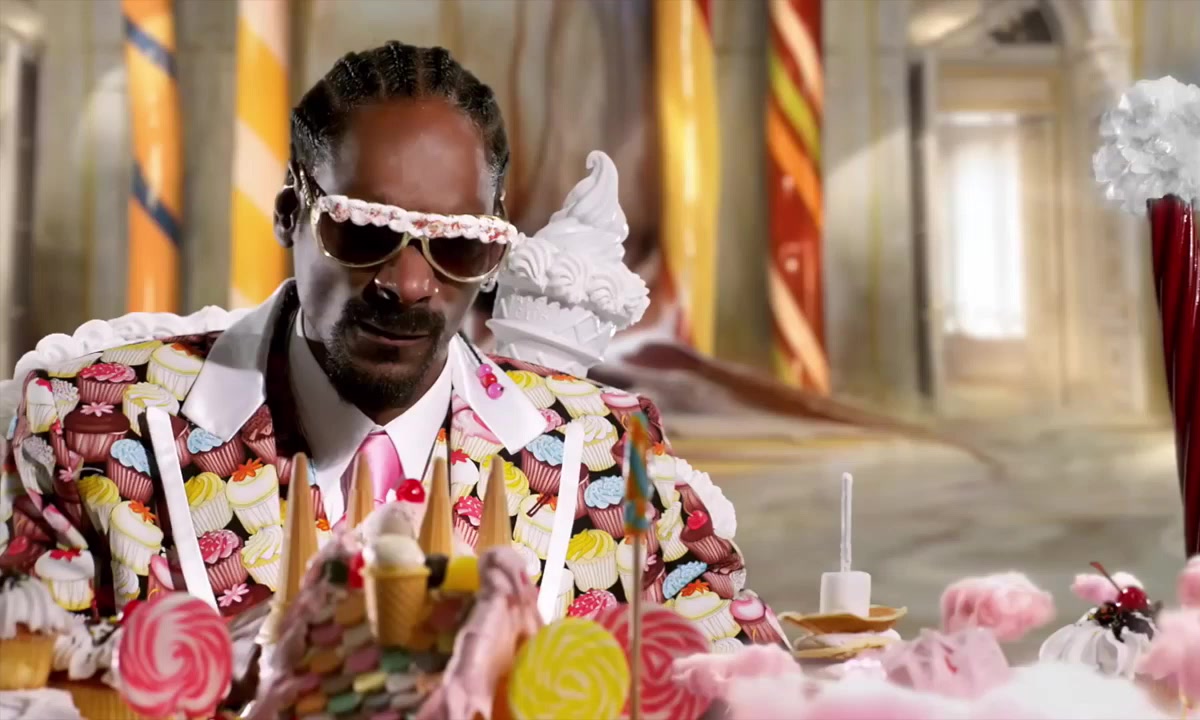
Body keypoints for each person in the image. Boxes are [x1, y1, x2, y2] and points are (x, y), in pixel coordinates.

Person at [0, 43, 783, 650]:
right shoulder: (82, 429)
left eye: (459, 247)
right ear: (289, 214)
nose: (408, 283)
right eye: (364, 232)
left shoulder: (611, 449)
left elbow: (750, 678)